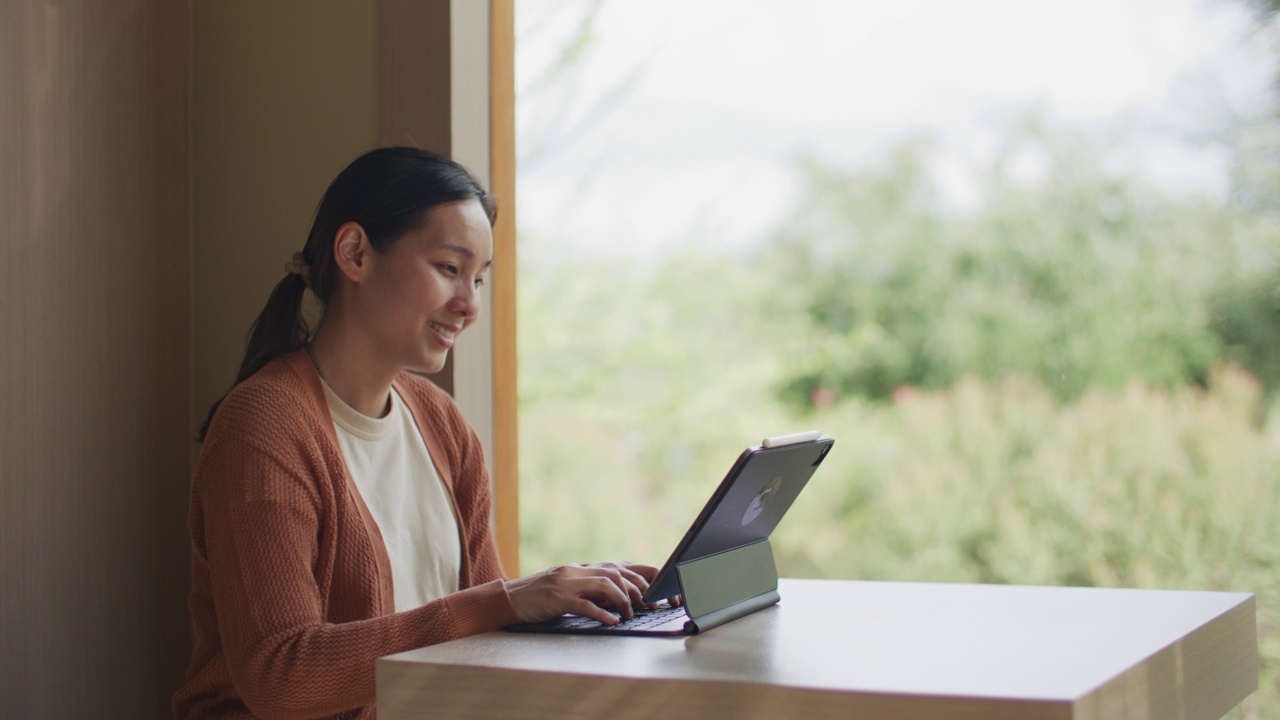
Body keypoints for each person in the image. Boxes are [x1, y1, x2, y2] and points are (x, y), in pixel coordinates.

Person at [174, 147, 660, 719]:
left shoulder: (442, 424)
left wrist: (577, 605)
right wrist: (504, 602)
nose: (470, 305)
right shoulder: (264, 429)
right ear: (354, 253)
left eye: (479, 279)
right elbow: (282, 677)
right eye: (450, 270)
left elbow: (486, 638)